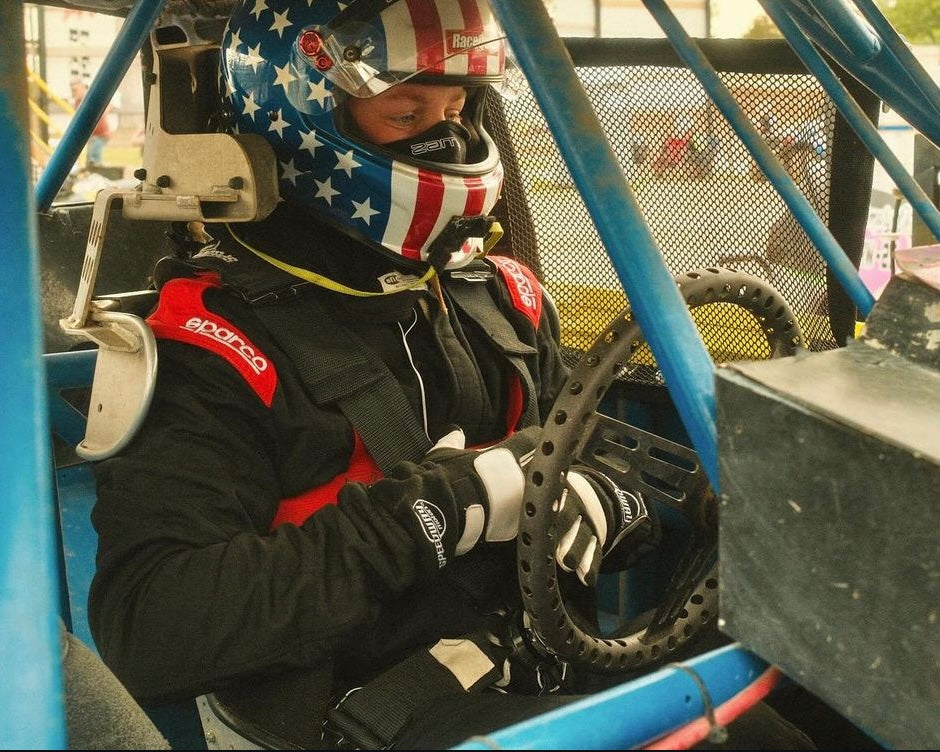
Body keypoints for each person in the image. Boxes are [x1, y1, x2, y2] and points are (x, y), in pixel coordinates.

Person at [87, 1, 815, 748]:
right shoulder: (215, 345)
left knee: (787, 727)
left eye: (458, 108)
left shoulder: (500, 297)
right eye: (406, 114)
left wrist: (608, 500)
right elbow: (148, 628)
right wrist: (436, 511)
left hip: (538, 671)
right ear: (295, 115)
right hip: (367, 717)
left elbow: (586, 450)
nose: (449, 139)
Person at [70, 78, 112, 166]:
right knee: (91, 157)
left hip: (101, 134)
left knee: (94, 157)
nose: (73, 93)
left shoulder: (89, 99)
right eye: (72, 91)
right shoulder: (77, 103)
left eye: (75, 90)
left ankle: (97, 168)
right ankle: (95, 168)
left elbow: (107, 106)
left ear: (83, 88)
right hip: (93, 135)